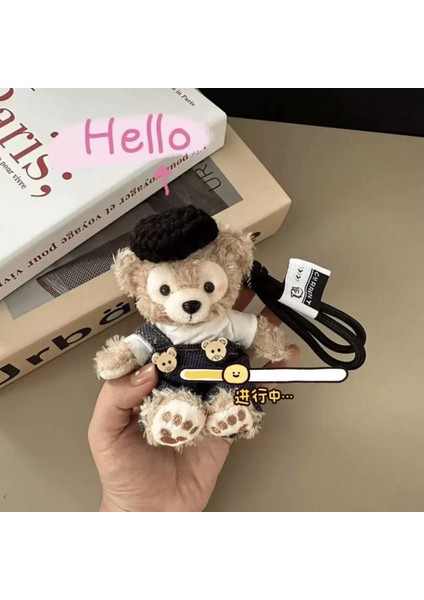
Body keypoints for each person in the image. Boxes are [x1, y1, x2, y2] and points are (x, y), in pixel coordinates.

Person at [88, 289, 299, 511]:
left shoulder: (228, 320)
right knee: (166, 392)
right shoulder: (158, 329)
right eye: (166, 289)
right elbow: (132, 349)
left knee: (232, 387)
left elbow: (257, 331)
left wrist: (273, 344)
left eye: (208, 286)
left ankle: (225, 411)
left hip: (224, 374)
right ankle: (176, 413)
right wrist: (117, 359)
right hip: (175, 381)